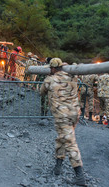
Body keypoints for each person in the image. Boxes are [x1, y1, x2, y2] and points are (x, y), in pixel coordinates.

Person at [40, 58, 86, 186]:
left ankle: (80, 176)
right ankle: (58, 167)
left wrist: (49, 77)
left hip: (62, 115)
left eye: (51, 68)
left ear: (53, 68)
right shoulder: (71, 77)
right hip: (74, 114)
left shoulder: (50, 79)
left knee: (70, 142)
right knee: (62, 138)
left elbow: (41, 92)